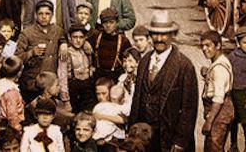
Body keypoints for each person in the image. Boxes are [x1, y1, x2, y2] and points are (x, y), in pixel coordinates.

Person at [130, 10, 198, 152]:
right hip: (145, 137)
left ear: (172, 35)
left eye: (164, 34)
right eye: (155, 34)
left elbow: (189, 109)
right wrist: (132, 129)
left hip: (169, 136)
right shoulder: (144, 61)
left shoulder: (184, 65)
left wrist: (180, 141)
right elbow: (137, 99)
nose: (159, 38)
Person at [16, 0, 66, 103]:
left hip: (51, 82)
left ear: (52, 15)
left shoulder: (58, 31)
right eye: (40, 14)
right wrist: (31, 53)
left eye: (47, 14)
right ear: (35, 15)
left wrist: (64, 44)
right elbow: (17, 58)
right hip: (33, 83)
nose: (44, 17)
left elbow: (63, 39)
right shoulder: (27, 33)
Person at [200, 30, 234, 152]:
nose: (204, 49)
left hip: (219, 112)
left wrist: (209, 122)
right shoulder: (220, 62)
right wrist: (207, 73)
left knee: (213, 148)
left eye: (208, 45)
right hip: (221, 112)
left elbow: (218, 98)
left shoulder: (219, 68)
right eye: (202, 46)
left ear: (218, 45)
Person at [57, 23, 96, 113]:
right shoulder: (66, 53)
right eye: (75, 37)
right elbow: (62, 76)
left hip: (87, 88)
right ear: (70, 38)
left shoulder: (87, 49)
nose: (78, 40)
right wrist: (66, 100)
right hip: (73, 89)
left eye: (81, 37)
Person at [88, 8, 132, 83]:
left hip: (115, 77)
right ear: (102, 24)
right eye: (105, 22)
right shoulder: (96, 36)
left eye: (111, 22)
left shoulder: (123, 41)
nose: (108, 25)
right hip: (98, 77)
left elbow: (129, 60)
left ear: (116, 23)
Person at [92, 80, 126, 151]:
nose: (101, 97)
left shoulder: (116, 106)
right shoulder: (98, 106)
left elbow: (122, 120)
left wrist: (102, 116)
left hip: (114, 140)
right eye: (98, 94)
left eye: (104, 93)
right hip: (99, 138)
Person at [0, 55, 25, 133]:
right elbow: (12, 114)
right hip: (8, 127)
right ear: (19, 73)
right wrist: (18, 129)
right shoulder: (11, 92)